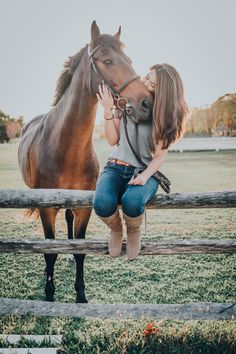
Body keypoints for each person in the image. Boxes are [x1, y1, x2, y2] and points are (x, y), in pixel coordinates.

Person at [93, 63, 189, 261]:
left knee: (133, 201)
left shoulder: (164, 115)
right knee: (101, 203)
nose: (145, 83)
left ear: (163, 91)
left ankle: (133, 231)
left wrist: (145, 176)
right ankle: (117, 230)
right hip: (116, 166)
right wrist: (108, 110)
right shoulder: (129, 100)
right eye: (147, 77)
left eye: (152, 84)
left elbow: (160, 156)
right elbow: (112, 140)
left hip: (145, 171)